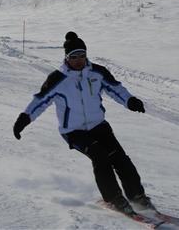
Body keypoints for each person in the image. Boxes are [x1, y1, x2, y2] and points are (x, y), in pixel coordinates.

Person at [13, 32, 150, 214]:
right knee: (100, 157)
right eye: (74, 57)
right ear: (66, 57)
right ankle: (114, 199)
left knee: (120, 158)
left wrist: (130, 101)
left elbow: (116, 89)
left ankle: (138, 197)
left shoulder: (97, 72)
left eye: (82, 55)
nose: (79, 60)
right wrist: (25, 118)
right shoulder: (58, 79)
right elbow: (40, 101)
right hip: (74, 131)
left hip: (99, 126)